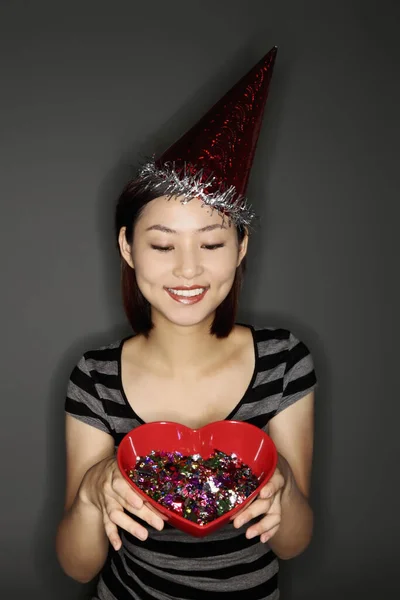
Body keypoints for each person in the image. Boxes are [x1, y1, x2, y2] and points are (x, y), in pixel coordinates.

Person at [56, 47, 317, 600]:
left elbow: (293, 543)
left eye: (213, 242)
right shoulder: (95, 376)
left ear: (242, 247)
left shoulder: (285, 362)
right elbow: (78, 568)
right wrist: (90, 493)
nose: (188, 269)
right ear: (128, 247)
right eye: (162, 244)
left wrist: (285, 490)